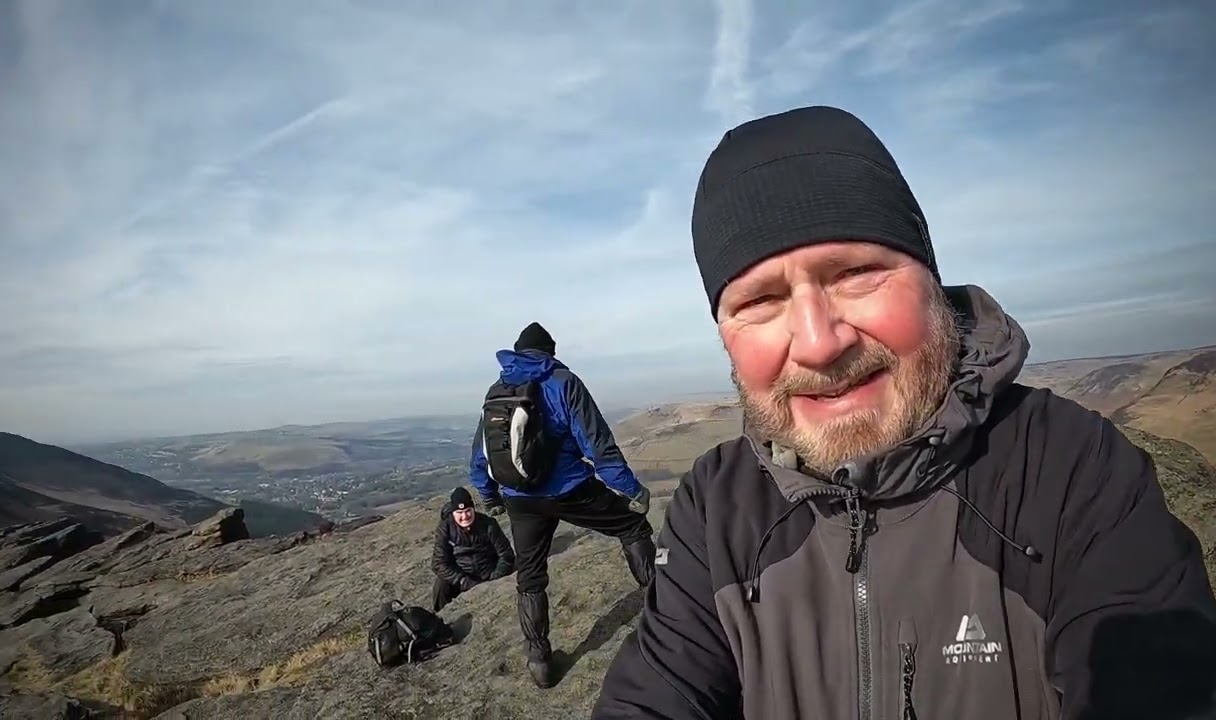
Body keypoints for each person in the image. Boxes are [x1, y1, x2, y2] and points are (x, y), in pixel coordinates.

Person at [593, 105, 1216, 719]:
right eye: (760, 301)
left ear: (931, 282)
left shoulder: (1068, 466)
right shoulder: (715, 506)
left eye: (857, 273)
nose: (818, 342)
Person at [469, 322, 656, 689]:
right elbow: (597, 445)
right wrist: (632, 491)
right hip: (571, 490)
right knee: (632, 526)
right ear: (550, 352)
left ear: (519, 351)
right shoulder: (564, 382)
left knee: (531, 576)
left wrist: (490, 496)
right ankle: (662, 609)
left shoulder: (498, 390)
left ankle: (539, 661)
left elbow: (482, 452)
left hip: (521, 500)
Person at [429, 487, 515, 612]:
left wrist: (496, 577)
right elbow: (438, 563)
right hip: (462, 576)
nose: (464, 516)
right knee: (441, 585)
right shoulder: (445, 529)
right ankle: (441, 616)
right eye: (459, 513)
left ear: (473, 509)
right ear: (453, 513)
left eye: (468, 511)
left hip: (489, 572)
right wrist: (463, 581)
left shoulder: (489, 524)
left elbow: (506, 555)